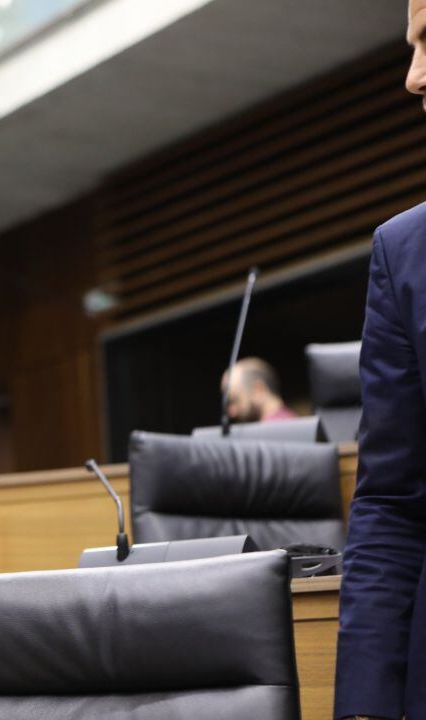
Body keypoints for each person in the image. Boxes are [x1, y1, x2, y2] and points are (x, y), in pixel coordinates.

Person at [334, 3, 426, 718]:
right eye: (410, 47)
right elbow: (392, 502)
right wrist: (366, 705)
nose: (412, 79)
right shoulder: (404, 253)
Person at [220, 357, 297, 423]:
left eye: (235, 400)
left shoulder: (274, 432)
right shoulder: (290, 422)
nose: (231, 412)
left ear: (258, 390)